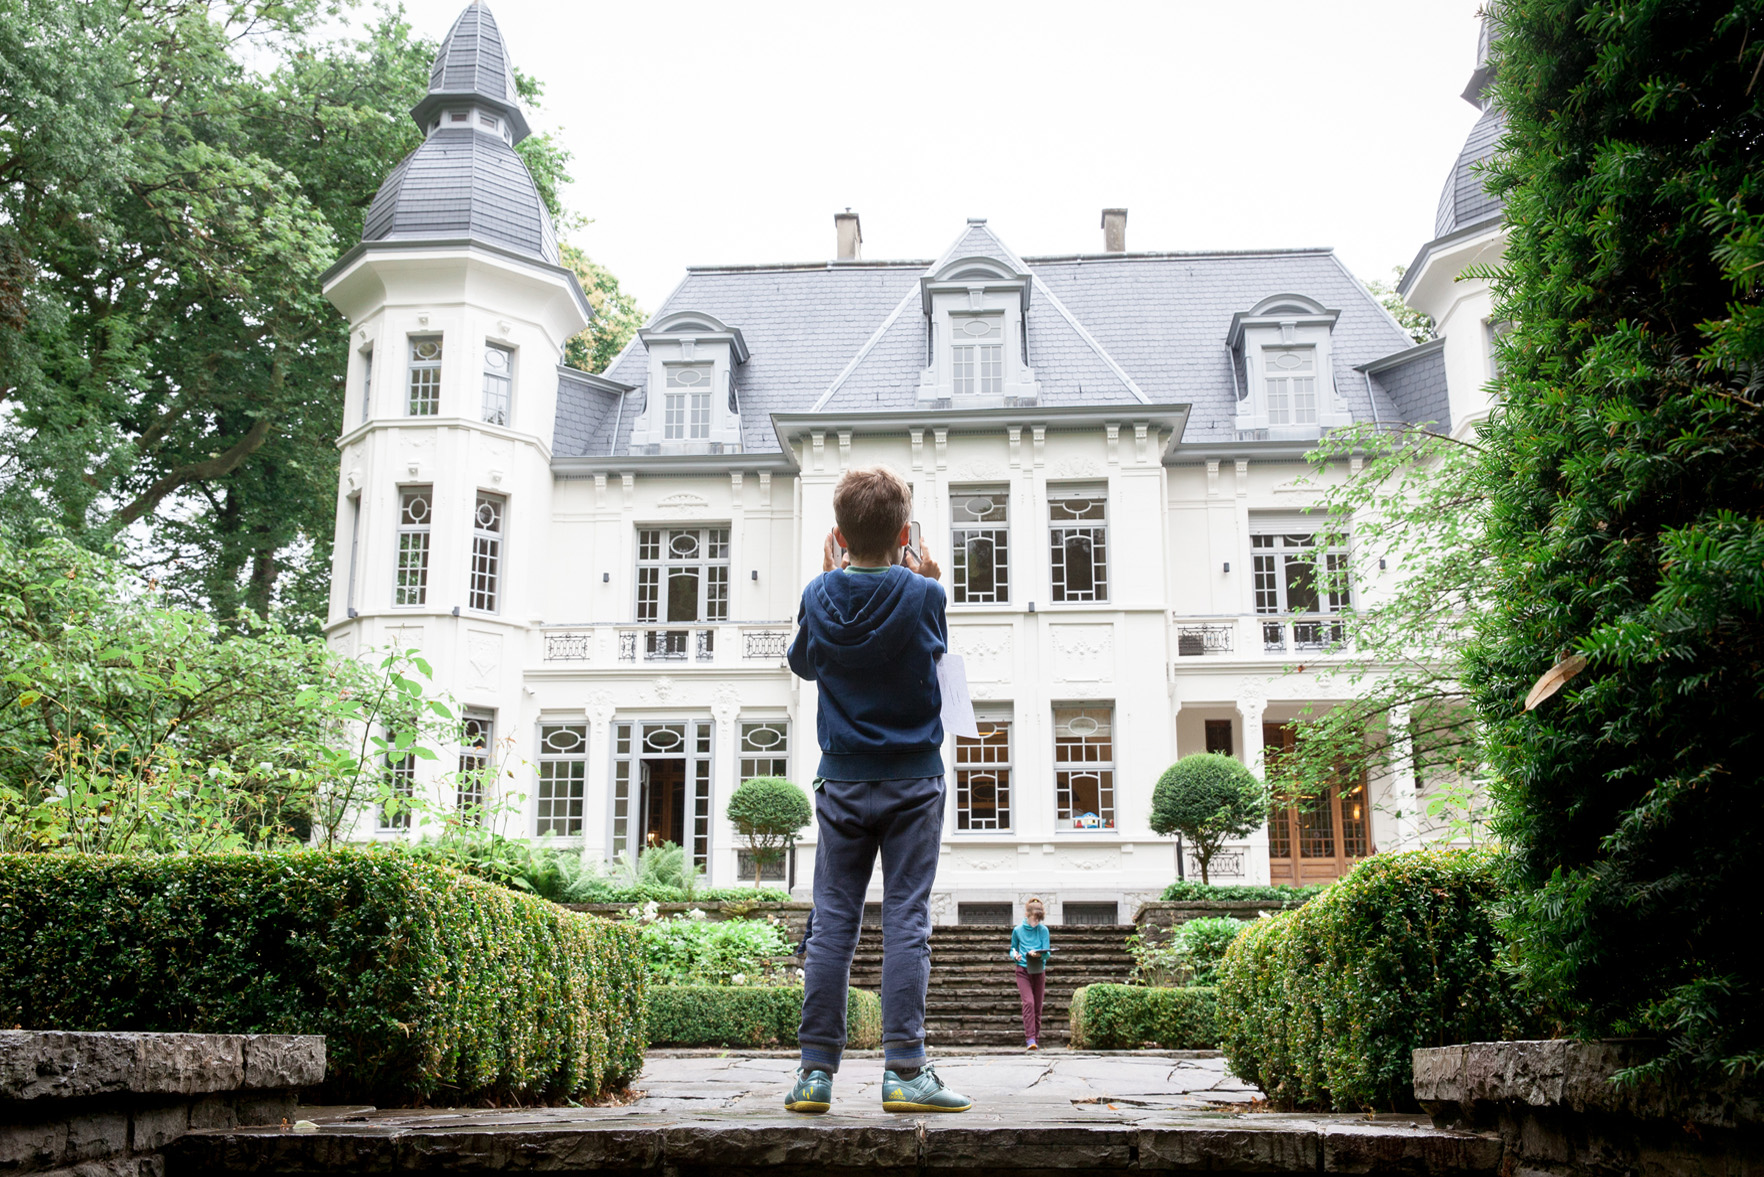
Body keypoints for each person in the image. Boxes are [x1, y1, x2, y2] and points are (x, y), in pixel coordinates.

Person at [782, 465, 972, 1116]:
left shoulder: (817, 592)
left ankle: (814, 1074)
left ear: (838, 533)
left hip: (841, 780)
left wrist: (826, 579)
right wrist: (929, 583)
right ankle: (904, 1069)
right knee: (906, 921)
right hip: (914, 780)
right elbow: (935, 650)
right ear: (903, 532)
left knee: (832, 922)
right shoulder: (924, 596)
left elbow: (804, 662)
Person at [1009, 898, 1052, 1050]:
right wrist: (1015, 956)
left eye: (1038, 920)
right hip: (1023, 970)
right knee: (1029, 1003)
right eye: (1034, 919)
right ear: (1027, 914)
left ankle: (1036, 1039)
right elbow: (1012, 949)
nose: (1036, 923)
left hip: (1039, 970)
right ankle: (1030, 1039)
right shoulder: (1018, 930)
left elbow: (1047, 953)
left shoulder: (1043, 930)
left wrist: (1039, 955)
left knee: (1038, 1007)